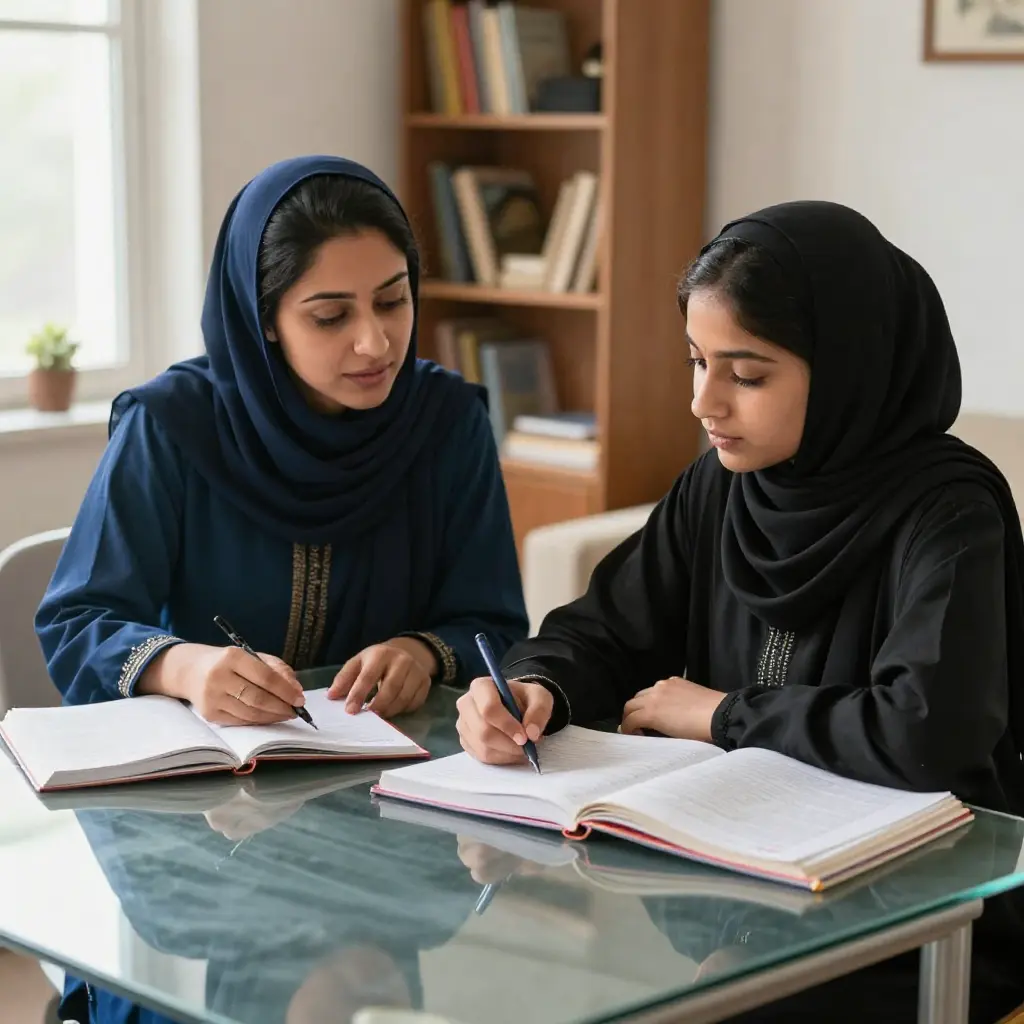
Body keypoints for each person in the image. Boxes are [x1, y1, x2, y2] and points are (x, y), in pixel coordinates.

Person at [454, 200, 1024, 1021]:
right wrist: (534, 686)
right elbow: (605, 628)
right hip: (735, 875)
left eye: (747, 375)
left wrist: (723, 715)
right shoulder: (724, 489)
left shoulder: (948, 512)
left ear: (845, 367)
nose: (704, 403)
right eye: (697, 362)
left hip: (916, 904)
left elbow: (925, 734)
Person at [36, 155, 527, 725]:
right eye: (331, 316)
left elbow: (494, 624)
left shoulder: (447, 421)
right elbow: (78, 622)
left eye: (392, 301)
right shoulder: (173, 425)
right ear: (263, 318)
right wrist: (185, 668)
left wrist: (421, 652)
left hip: (402, 760)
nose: (375, 343)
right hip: (209, 763)